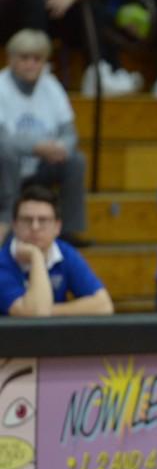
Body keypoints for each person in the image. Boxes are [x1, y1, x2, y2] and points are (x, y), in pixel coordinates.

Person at [0, 29, 88, 245]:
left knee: (75, 160)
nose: (31, 64)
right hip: (7, 167)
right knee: (6, 151)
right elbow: (3, 138)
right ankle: (7, 220)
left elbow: (69, 132)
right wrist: (37, 146)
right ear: (11, 59)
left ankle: (67, 231)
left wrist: (61, 148)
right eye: (24, 58)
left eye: (37, 59)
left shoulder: (51, 86)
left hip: (42, 166)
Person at [0, 185, 112, 317]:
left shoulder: (65, 253)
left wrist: (48, 310)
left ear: (57, 227)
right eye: (27, 220)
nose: (35, 227)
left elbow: (104, 305)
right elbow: (35, 316)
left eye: (43, 220)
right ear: (15, 225)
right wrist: (36, 256)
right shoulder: (3, 261)